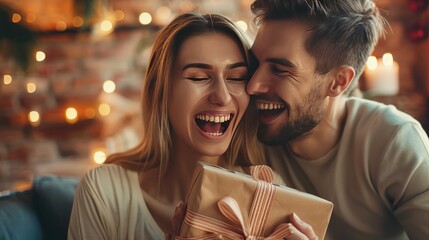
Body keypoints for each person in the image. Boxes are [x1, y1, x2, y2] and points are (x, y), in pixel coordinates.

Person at [68, 13, 272, 239]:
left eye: (236, 77)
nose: (222, 97)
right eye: (198, 77)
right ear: (161, 91)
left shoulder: (267, 196)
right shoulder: (104, 191)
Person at [248, 0, 429, 239]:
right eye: (254, 64)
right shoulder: (249, 135)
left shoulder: (395, 141)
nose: (252, 86)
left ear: (338, 82)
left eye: (280, 70)